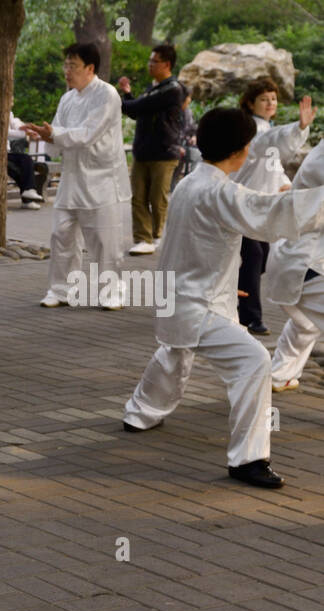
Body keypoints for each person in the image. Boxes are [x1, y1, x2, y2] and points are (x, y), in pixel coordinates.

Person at [121, 108, 324, 489]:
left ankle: (140, 412)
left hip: (184, 296)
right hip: (196, 303)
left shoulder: (191, 184)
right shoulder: (219, 192)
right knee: (254, 360)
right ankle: (248, 459)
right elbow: (270, 214)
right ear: (242, 151)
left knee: (175, 351)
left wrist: (225, 285)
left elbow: (193, 246)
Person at [23, 43, 131, 310]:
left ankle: (111, 292)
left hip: (102, 179)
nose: (67, 71)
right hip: (72, 179)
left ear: (90, 68)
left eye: (73, 66)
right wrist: (44, 137)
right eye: (66, 65)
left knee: (105, 241)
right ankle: (60, 289)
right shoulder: (67, 98)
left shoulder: (107, 95)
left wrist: (55, 135)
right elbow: (59, 136)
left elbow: (87, 133)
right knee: (62, 235)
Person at [233, 79, 314, 336]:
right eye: (264, 99)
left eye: (273, 99)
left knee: (261, 259)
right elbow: (269, 141)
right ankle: (250, 317)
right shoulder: (250, 128)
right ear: (250, 102)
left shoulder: (268, 128)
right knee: (254, 257)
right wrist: (298, 127)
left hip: (264, 206)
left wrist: (286, 183)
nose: (270, 103)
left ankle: (230, 291)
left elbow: (274, 164)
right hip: (244, 202)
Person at [265, 138, 324, 393]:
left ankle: (280, 374)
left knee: (306, 324)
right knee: (306, 321)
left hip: (294, 260)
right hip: (307, 264)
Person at [119, 43, 185, 255]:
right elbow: (136, 111)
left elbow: (139, 107)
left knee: (157, 198)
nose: (149, 64)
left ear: (167, 64)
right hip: (142, 152)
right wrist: (128, 95)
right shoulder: (153, 89)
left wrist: (118, 99)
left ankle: (156, 235)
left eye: (153, 61)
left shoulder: (173, 90)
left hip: (164, 153)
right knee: (138, 197)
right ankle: (142, 238)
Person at [7, 113, 46, 209]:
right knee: (17, 169)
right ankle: (27, 198)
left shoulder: (9, 113)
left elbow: (16, 124)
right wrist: (25, 133)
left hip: (7, 153)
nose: (12, 100)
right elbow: (5, 133)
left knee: (26, 160)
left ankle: (29, 193)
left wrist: (26, 129)